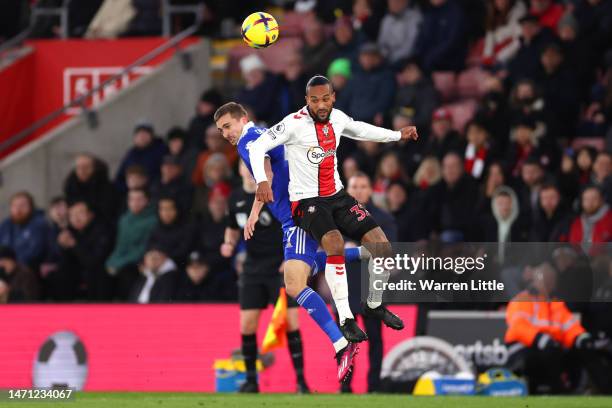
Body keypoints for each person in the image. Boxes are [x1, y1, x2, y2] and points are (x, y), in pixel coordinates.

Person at [249, 76, 417, 348]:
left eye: (325, 99)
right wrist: (262, 180)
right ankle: (346, 318)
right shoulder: (293, 124)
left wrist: (397, 135)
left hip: (337, 196)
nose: (320, 105)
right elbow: (257, 147)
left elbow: (361, 130)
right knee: (334, 243)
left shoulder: (337, 118)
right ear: (307, 101)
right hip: (305, 202)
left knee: (381, 247)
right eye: (314, 100)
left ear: (333, 97)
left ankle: (373, 304)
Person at [215, 102, 371, 383]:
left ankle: (340, 344)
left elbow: (266, 178)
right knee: (304, 271)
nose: (225, 133)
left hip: (296, 215)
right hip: (302, 208)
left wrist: (253, 215)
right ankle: (360, 253)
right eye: (220, 129)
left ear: (243, 119)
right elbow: (266, 176)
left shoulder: (249, 141)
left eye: (228, 126)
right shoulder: (257, 135)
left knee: (295, 283)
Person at [221, 160, 310, 393]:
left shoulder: (274, 194)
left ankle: (301, 382)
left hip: (280, 269)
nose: (250, 172)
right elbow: (232, 226)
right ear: (240, 169)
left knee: (291, 323)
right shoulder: (236, 198)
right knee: (247, 325)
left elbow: (296, 225)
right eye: (245, 166)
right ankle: (251, 381)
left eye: (254, 167)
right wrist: (228, 243)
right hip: (252, 269)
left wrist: (290, 257)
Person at [505, 262, 612, 394]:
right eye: (548, 279)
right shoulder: (522, 299)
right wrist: (541, 339)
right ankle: (559, 392)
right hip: (524, 349)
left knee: (585, 350)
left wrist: (581, 338)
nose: (551, 283)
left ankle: (606, 392)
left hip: (551, 348)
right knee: (548, 354)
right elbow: (518, 327)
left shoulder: (555, 304)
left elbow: (569, 326)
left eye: (552, 280)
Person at [342, 172, 397, 393]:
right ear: (347, 189)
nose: (358, 190)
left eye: (363, 186)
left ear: (370, 190)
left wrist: (352, 247)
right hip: (345, 287)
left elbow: (388, 250)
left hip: (373, 286)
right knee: (346, 340)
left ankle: (374, 385)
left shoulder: (383, 218)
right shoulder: (336, 216)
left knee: (375, 338)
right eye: (354, 186)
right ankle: (345, 386)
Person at [54, 201, 114, 300]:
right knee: (61, 272)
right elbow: (64, 258)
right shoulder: (70, 231)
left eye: (80, 214)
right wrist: (62, 245)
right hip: (78, 270)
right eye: (72, 215)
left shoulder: (102, 230)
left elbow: (94, 260)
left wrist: (74, 245)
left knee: (98, 273)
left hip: (99, 270)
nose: (76, 218)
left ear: (90, 215)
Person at [105, 188, 158, 299]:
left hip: (139, 262)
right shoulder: (124, 219)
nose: (135, 203)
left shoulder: (153, 221)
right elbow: (120, 246)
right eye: (132, 199)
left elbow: (143, 248)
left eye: (139, 199)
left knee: (126, 274)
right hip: (122, 260)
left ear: (146, 201)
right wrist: (111, 262)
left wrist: (118, 264)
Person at [341, 43, 395, 126]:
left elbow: (385, 100)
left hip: (371, 120)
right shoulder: (356, 76)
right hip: (352, 120)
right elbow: (344, 98)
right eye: (364, 56)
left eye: (371, 56)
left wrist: (379, 113)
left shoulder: (386, 76)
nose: (367, 59)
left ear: (378, 58)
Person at [63, 153, 119, 223]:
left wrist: (87, 209)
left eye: (86, 167)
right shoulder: (70, 184)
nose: (82, 171)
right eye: (78, 167)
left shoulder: (106, 187)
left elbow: (107, 212)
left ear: (94, 168)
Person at [0, 192, 49, 271]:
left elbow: (35, 253)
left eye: (23, 205)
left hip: (29, 270)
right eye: (14, 206)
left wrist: (13, 265)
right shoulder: (6, 224)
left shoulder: (39, 224)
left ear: (31, 207)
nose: (18, 209)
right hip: (5, 268)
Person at [115, 122, 168, 193]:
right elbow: (120, 177)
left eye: (145, 133)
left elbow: (164, 173)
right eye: (139, 134)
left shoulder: (161, 150)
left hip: (154, 191)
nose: (142, 137)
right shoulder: (131, 154)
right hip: (132, 194)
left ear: (151, 136)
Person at [147, 196, 196, 269]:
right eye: (162, 209)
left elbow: (183, 251)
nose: (166, 213)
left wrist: (164, 257)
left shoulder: (187, 228)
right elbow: (149, 245)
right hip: (154, 263)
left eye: (169, 209)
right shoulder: (156, 227)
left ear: (177, 210)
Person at [377, 0, 422, 65]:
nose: (393, 4)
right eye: (391, 2)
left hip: (404, 60)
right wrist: (383, 55)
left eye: (397, 1)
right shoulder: (387, 19)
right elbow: (381, 42)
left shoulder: (414, 18)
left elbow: (410, 46)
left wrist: (391, 59)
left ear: (405, 2)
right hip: (385, 59)